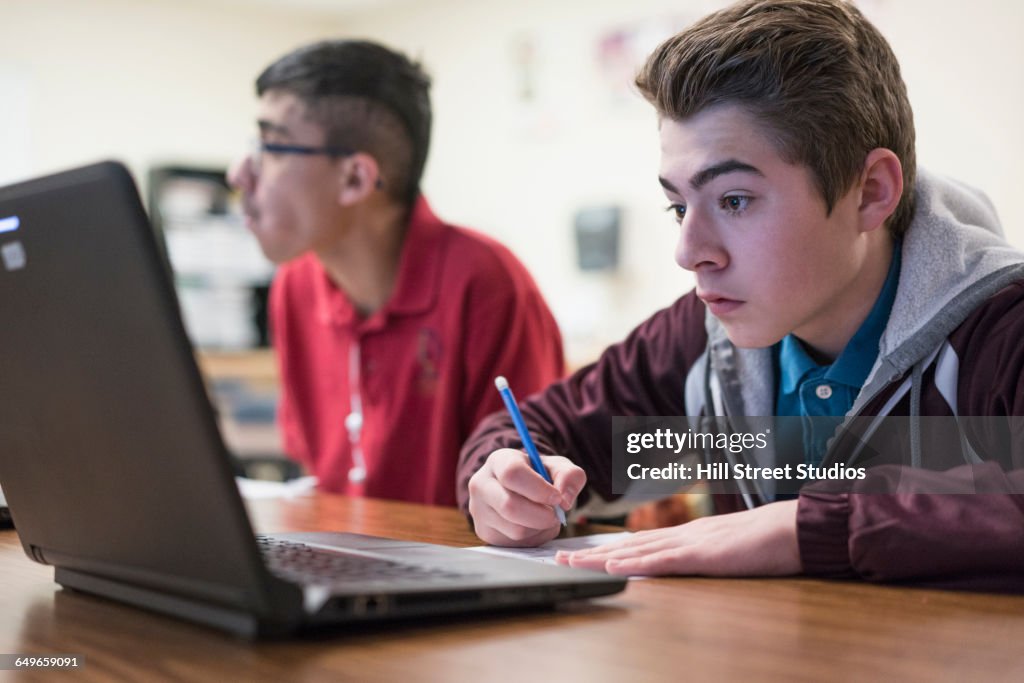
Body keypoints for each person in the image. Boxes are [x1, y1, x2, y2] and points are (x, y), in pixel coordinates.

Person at [458, 0, 1024, 589]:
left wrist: (804, 529)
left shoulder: (1000, 334)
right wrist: (504, 479)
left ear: (870, 193)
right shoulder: (703, 344)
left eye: (733, 200)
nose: (688, 250)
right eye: (679, 206)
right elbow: (542, 434)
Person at [228, 40, 564, 506]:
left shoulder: (485, 281)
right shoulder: (295, 284)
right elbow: (318, 469)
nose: (238, 173)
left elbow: (531, 489)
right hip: (342, 561)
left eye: (269, 145)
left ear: (355, 179)